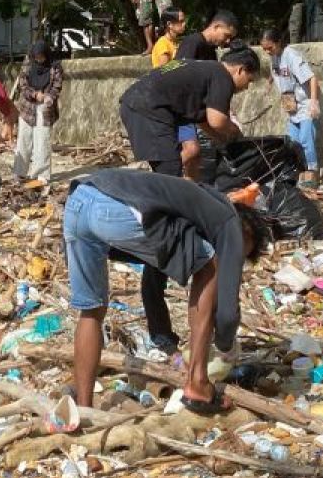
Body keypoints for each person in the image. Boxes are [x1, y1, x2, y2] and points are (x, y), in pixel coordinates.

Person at [64, 169, 266, 411]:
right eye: (240, 254)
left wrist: (168, 346)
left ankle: (84, 408)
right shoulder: (229, 220)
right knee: (211, 265)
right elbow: (227, 312)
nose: (233, 260)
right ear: (246, 233)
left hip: (78, 201)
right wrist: (226, 347)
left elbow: (152, 284)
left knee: (92, 311)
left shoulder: (178, 219)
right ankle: (198, 383)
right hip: (114, 208)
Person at [119, 44, 259, 179]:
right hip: (148, 108)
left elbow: (204, 121)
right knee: (169, 171)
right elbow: (217, 121)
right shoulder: (222, 76)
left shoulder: (207, 70)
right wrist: (236, 133)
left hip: (138, 102)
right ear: (241, 70)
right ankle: (153, 197)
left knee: (171, 165)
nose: (247, 87)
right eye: (249, 80)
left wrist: (223, 140)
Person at [260, 28, 321, 189]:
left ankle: (312, 173)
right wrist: (269, 83)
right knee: (292, 142)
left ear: (278, 42)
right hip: (291, 106)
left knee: (307, 140)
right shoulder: (274, 56)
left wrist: (313, 102)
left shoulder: (292, 56)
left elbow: (312, 78)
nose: (267, 52)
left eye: (269, 48)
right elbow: (276, 72)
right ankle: (297, 173)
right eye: (264, 49)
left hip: (305, 104)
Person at [13, 42, 64, 183]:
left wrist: (49, 97)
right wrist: (35, 94)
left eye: (41, 57)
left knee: (42, 141)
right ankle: (20, 172)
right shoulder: (27, 64)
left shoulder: (55, 67)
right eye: (36, 57)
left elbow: (57, 86)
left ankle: (41, 174)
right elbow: (22, 85)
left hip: (45, 109)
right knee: (24, 140)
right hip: (27, 107)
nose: (39, 60)